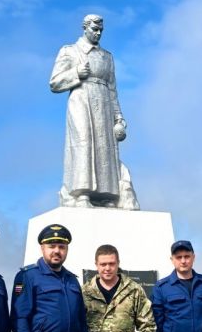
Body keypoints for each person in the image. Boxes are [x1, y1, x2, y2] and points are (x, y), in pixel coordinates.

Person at [49, 13, 139, 209]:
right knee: (84, 142)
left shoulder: (107, 57)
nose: (98, 33)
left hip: (104, 102)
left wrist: (119, 118)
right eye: (94, 29)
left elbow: (113, 89)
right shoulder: (69, 51)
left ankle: (106, 196)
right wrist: (75, 73)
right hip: (81, 99)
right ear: (85, 28)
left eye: (101, 30)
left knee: (105, 148)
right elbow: (54, 82)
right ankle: (82, 194)